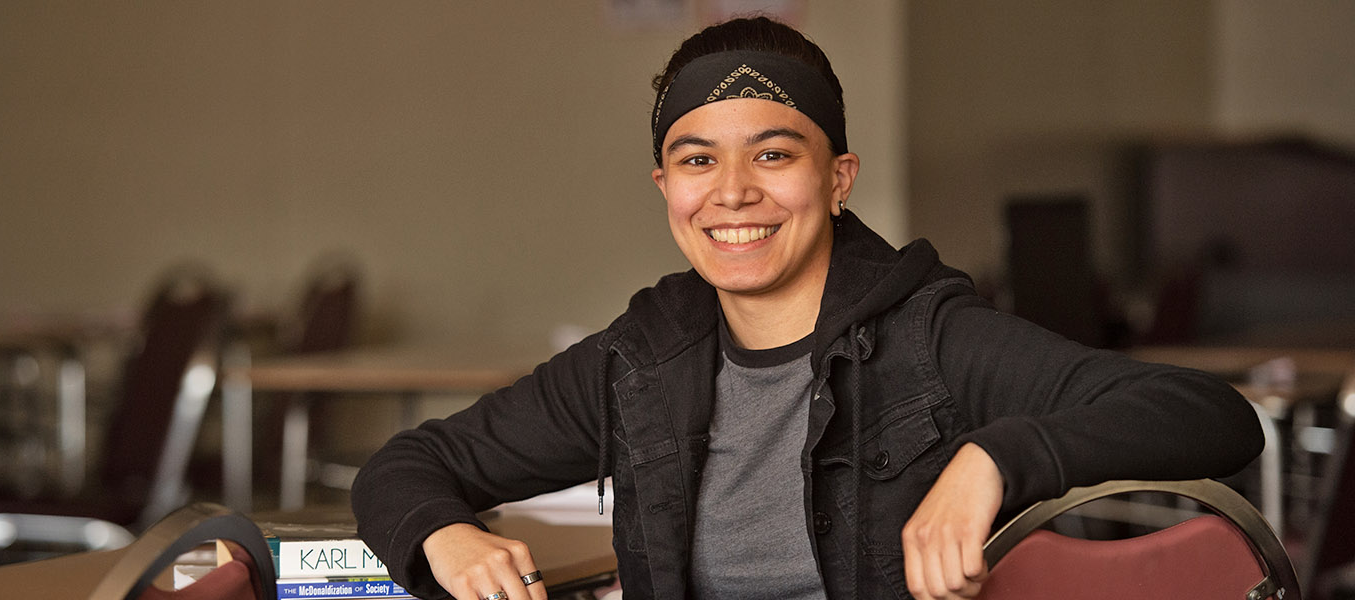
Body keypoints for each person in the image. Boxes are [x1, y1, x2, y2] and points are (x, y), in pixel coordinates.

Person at [352, 16, 1262, 600]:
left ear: (838, 179)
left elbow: (1209, 415)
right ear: (665, 185)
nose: (733, 192)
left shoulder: (930, 337)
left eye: (775, 155)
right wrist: (445, 535)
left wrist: (996, 456)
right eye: (699, 160)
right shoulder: (639, 359)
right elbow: (410, 463)